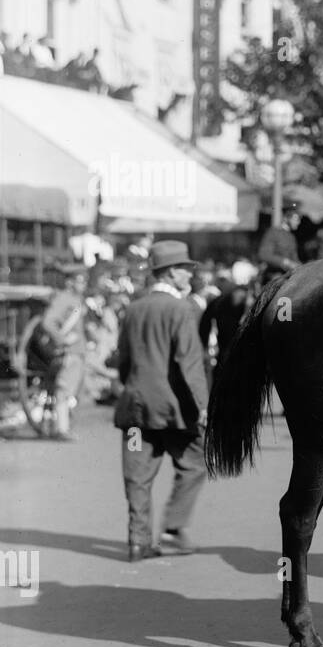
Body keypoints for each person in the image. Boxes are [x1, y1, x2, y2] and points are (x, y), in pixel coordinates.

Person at [113, 240, 209, 562]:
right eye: (185, 268)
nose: (189, 274)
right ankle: (172, 527)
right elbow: (190, 363)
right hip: (173, 412)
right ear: (169, 273)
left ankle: (138, 541)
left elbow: (124, 360)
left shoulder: (134, 308)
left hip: (136, 411)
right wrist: (204, 405)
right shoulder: (181, 309)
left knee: (137, 475)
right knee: (194, 463)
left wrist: (131, 386)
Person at [38, 264, 90, 440]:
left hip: (78, 352)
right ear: (69, 282)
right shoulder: (65, 299)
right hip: (70, 352)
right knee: (64, 390)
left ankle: (63, 427)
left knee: (71, 391)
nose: (83, 285)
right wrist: (62, 339)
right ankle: (61, 429)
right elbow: (48, 322)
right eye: (80, 281)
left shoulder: (76, 300)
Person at [257, 203, 303, 284]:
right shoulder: (273, 232)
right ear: (286, 218)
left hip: (289, 276)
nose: (298, 222)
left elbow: (295, 258)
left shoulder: (291, 237)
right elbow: (263, 255)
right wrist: (285, 262)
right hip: (273, 276)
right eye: (296, 219)